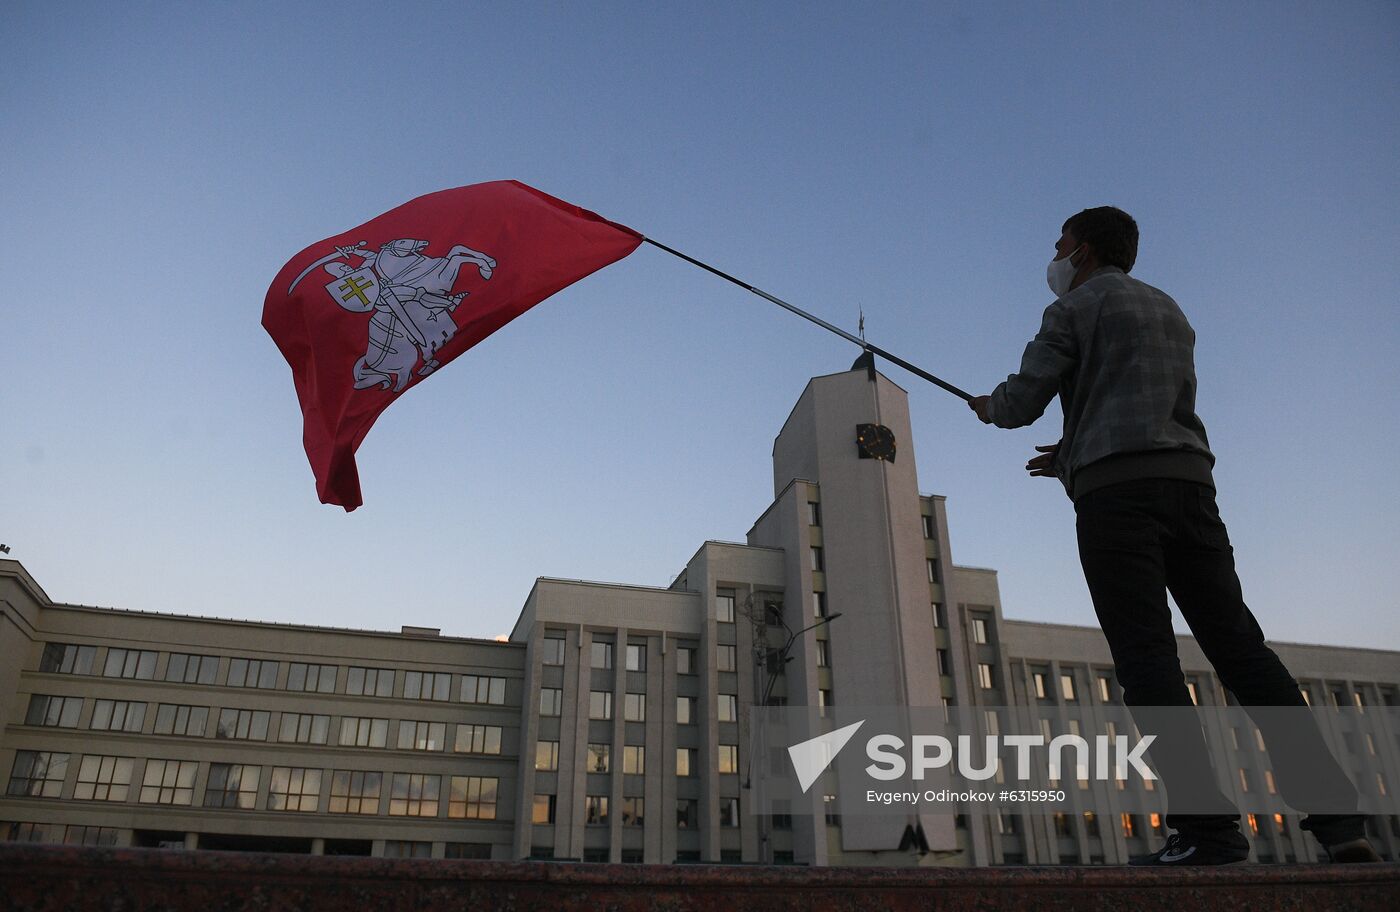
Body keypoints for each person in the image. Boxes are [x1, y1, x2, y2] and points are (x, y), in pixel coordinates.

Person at [968, 207, 1380, 865]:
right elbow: (1141, 402)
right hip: (1190, 488)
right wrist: (1074, 449)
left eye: (1061, 242)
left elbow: (1021, 402)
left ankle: (1209, 831)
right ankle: (1338, 821)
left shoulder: (1071, 309)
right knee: (1243, 651)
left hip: (1117, 505)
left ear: (1085, 251)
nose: (1054, 253)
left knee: (1148, 660)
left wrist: (992, 406)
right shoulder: (1169, 309)